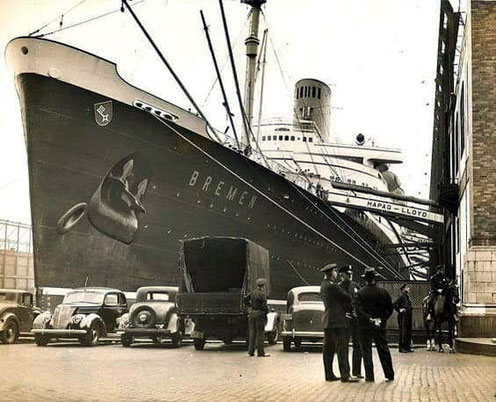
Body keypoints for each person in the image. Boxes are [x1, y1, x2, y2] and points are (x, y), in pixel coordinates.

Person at [355, 267, 395, 382]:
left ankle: (369, 376)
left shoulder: (360, 293)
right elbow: (390, 308)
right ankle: (389, 374)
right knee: (383, 349)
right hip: (380, 326)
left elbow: (358, 309)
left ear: (365, 280)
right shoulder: (383, 292)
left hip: (365, 326)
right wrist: (381, 319)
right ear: (375, 279)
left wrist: (369, 319)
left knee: (366, 350)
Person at [320, 263, 359, 383]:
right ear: (331, 272)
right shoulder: (333, 286)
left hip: (328, 320)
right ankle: (345, 375)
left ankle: (329, 374)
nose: (337, 274)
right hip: (338, 321)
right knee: (342, 348)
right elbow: (347, 297)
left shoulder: (323, 285)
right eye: (335, 271)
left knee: (328, 349)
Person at [339, 264, 364, 378]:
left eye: (350, 274)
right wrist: (344, 312)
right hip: (345, 319)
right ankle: (346, 372)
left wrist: (357, 313)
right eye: (347, 274)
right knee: (344, 346)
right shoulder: (338, 287)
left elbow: (360, 301)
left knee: (357, 345)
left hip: (355, 320)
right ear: (342, 275)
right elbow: (338, 303)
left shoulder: (356, 286)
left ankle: (357, 371)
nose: (350, 276)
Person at [245, 278, 270, 357]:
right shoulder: (262, 294)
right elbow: (264, 306)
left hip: (252, 314)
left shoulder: (253, 292)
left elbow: (245, 299)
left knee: (252, 333)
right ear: (263, 286)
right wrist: (266, 312)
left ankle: (251, 352)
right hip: (259, 314)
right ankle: (260, 352)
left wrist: (250, 305)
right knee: (260, 334)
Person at [394, 283, 413, 353]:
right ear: (404, 288)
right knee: (403, 332)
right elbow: (395, 304)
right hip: (403, 317)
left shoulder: (406, 296)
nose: (409, 289)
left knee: (407, 332)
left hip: (408, 316)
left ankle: (407, 347)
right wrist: (399, 310)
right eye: (407, 287)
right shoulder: (401, 295)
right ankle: (401, 348)